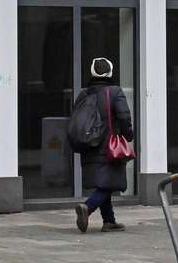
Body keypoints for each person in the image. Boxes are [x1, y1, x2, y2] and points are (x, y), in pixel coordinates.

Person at [75, 57, 134, 233]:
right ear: (110, 72)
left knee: (105, 182)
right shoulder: (115, 92)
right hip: (109, 146)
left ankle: (109, 221)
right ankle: (88, 207)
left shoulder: (84, 94)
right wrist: (128, 134)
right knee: (110, 183)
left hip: (89, 144)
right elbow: (124, 117)